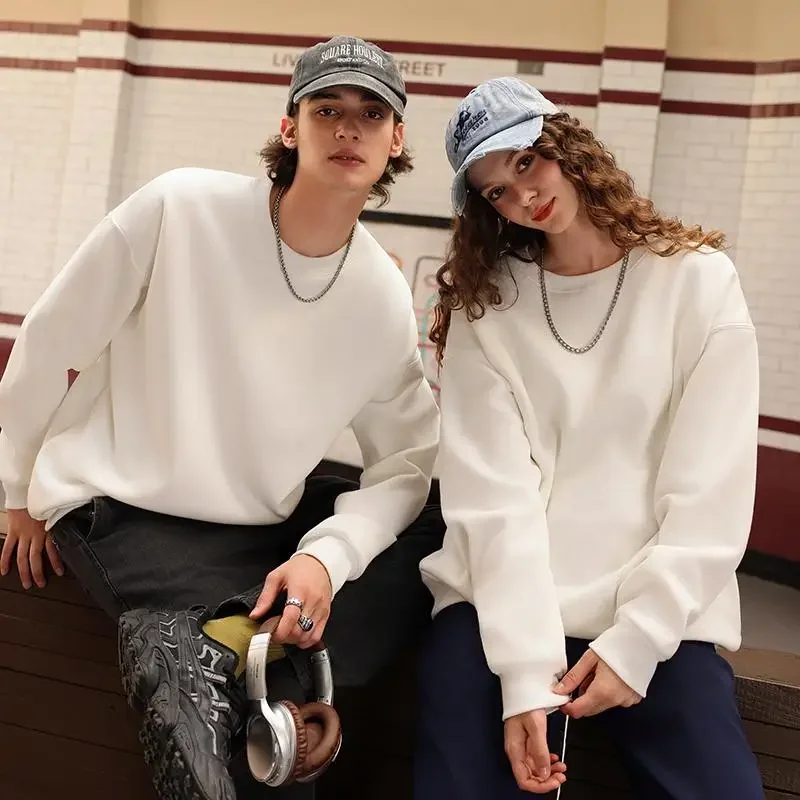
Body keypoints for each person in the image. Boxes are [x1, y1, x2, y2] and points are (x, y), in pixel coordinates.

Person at [0, 36, 444, 800]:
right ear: (290, 126)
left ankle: (231, 645)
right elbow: (53, 339)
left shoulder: (378, 294)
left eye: (372, 114)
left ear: (396, 139)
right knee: (271, 714)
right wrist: (14, 489)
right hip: (125, 507)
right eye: (327, 109)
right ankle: (254, 660)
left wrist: (325, 559)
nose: (349, 128)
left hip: (250, 532)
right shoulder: (180, 208)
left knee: (436, 517)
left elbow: (407, 463)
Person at [414, 76, 763, 799]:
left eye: (526, 160)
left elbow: (711, 494)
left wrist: (638, 640)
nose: (522, 194)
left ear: (567, 146)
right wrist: (524, 675)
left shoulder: (698, 283)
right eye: (495, 191)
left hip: (660, 615)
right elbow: (495, 501)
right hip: (499, 609)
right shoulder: (487, 309)